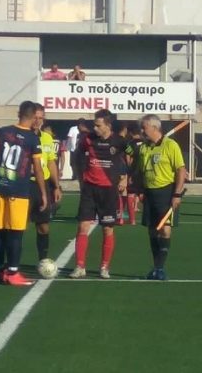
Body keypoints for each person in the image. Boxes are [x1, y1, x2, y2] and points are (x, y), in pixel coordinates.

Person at [0, 101, 49, 286]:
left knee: (0, 230)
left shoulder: (3, 132)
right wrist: (43, 192)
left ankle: (0, 271)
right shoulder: (32, 138)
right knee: (16, 233)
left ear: (19, 113)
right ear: (33, 117)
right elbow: (37, 168)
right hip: (18, 189)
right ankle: (13, 272)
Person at [70, 109, 127, 279]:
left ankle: (104, 267)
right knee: (83, 227)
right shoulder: (87, 139)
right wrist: (81, 179)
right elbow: (77, 158)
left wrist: (125, 178)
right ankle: (80, 266)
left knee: (107, 229)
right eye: (94, 125)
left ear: (108, 125)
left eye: (98, 125)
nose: (94, 128)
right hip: (89, 189)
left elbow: (132, 158)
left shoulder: (119, 141)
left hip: (108, 191)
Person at [134, 114, 186, 281]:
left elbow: (181, 170)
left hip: (166, 192)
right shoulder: (143, 148)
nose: (142, 131)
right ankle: (156, 267)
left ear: (155, 127)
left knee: (165, 229)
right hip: (149, 193)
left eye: (144, 128)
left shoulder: (170, 145)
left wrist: (177, 193)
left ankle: (160, 268)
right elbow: (140, 171)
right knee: (152, 230)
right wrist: (139, 190)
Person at [30, 104, 64, 265]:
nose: (37, 121)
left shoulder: (47, 138)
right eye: (35, 117)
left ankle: (42, 260)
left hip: (43, 185)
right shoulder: (21, 136)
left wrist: (56, 186)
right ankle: (11, 264)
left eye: (40, 118)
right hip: (24, 184)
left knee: (43, 226)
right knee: (17, 227)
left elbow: (51, 162)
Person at [122, 124, 145, 226]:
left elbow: (128, 158)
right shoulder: (146, 143)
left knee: (130, 194)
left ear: (131, 133)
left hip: (134, 172)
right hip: (144, 172)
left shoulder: (130, 143)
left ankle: (132, 220)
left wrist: (129, 171)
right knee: (142, 194)